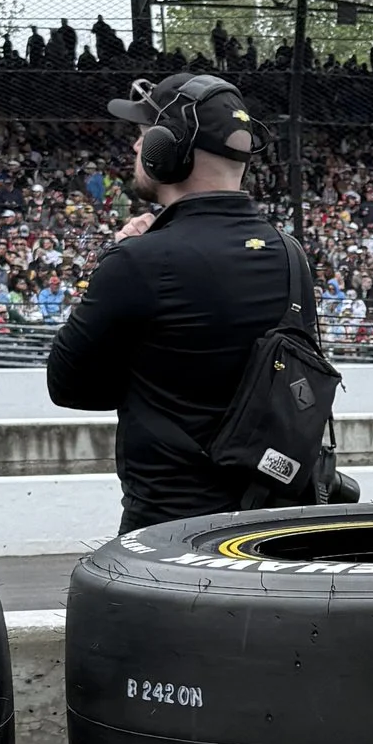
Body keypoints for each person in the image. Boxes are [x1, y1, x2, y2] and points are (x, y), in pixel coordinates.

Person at [45, 69, 304, 529]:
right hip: (272, 522)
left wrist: (122, 255)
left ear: (168, 151)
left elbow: (68, 387)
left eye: (143, 135)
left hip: (170, 534)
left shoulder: (139, 262)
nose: (134, 147)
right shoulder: (290, 253)